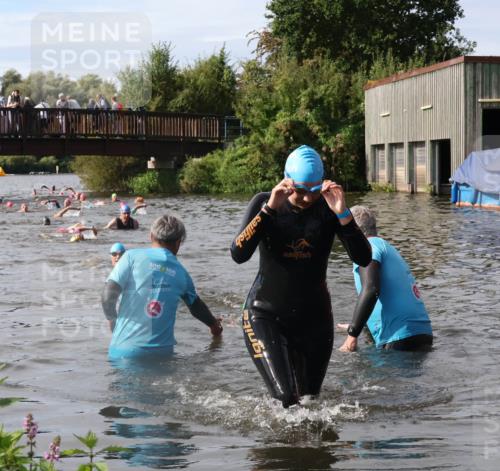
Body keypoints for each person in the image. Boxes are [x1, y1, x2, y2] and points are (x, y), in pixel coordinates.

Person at [230, 145, 372, 408]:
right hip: (265, 314)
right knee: (286, 399)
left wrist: (343, 214)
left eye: (314, 190)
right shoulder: (264, 202)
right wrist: (269, 210)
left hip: (314, 319)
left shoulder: (329, 208)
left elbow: (364, 257)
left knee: (310, 403)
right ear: (287, 182)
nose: (307, 198)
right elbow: (238, 253)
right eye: (301, 191)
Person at [101, 214, 223, 360]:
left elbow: (107, 296)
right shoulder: (181, 273)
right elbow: (196, 306)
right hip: (162, 355)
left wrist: (113, 321)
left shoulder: (130, 257)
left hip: (124, 352)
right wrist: (214, 326)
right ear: (179, 242)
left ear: (151, 236)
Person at [338, 205, 433, 352]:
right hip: (421, 333)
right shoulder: (385, 246)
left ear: (353, 229)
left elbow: (371, 289)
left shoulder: (368, 247)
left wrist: (352, 335)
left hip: (399, 337)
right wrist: (356, 325)